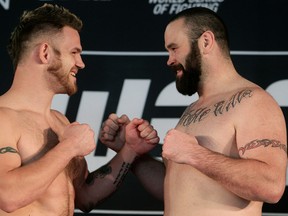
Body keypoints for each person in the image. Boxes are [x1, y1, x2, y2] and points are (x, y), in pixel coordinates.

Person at [100, 7, 287, 216]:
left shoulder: (253, 100)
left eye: (174, 48)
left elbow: (271, 186)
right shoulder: (194, 109)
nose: (169, 60)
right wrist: (131, 151)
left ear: (205, 42)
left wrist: (194, 154)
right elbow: (176, 189)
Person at [0, 3, 159, 215]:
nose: (81, 63)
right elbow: (7, 196)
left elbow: (85, 196)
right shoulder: (3, 118)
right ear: (45, 53)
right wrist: (69, 147)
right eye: (74, 52)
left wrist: (130, 149)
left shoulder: (59, 121)